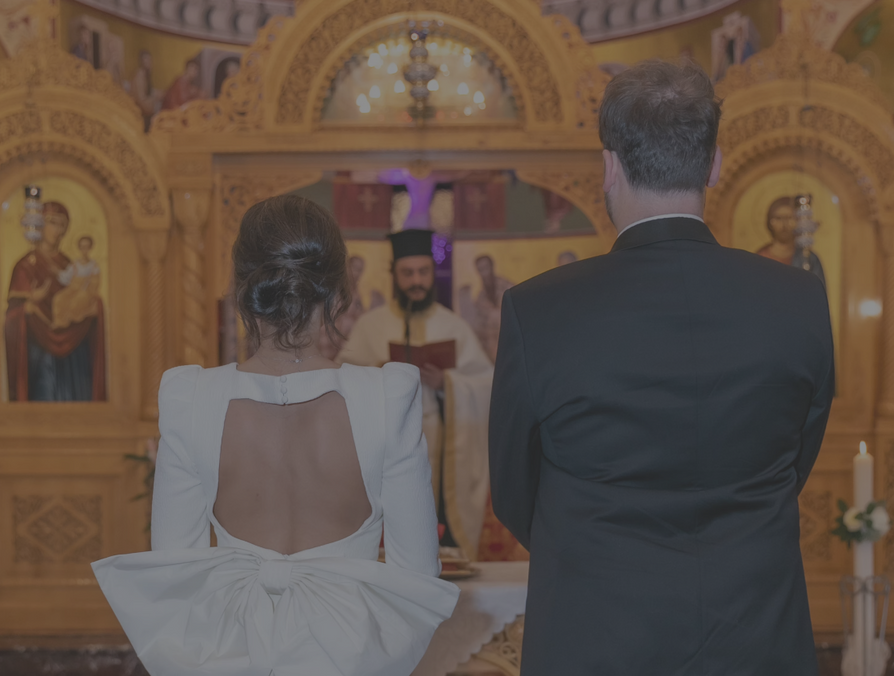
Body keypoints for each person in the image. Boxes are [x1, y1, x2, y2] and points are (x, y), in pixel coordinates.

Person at [490, 60, 833, 675]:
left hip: (595, 634)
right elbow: (792, 462)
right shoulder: (799, 301)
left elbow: (515, 491)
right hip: (754, 635)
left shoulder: (537, 310)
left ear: (609, 168)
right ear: (715, 165)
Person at [92, 195, 458, 676]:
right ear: (338, 292)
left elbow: (177, 577)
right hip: (350, 661)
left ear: (243, 288)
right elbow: (417, 580)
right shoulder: (388, 397)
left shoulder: (191, 399)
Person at [338, 230, 493, 560]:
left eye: (423, 272)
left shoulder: (454, 326)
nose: (416, 281)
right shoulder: (370, 326)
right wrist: (377, 375)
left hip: (441, 452)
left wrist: (446, 384)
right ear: (394, 275)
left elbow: (486, 383)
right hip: (386, 449)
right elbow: (341, 383)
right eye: (408, 273)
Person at [4, 202, 106, 402]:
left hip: (72, 354)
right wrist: (29, 305)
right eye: (51, 222)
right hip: (39, 351)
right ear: (40, 225)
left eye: (62, 225)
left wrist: (93, 307)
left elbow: (82, 297)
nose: (56, 230)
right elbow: (11, 315)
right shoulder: (24, 266)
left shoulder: (70, 265)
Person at [756, 195, 826, 285]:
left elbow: (818, 293)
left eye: (789, 218)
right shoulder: (761, 257)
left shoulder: (808, 258)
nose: (784, 224)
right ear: (770, 222)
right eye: (778, 218)